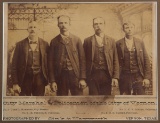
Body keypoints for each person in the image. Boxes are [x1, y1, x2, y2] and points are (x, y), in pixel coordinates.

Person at [48, 15, 86, 96]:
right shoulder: (54, 42)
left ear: (69, 24)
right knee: (61, 102)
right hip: (60, 76)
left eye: (66, 23)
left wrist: (82, 78)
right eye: (61, 23)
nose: (63, 25)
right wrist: (52, 81)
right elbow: (50, 63)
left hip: (75, 76)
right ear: (58, 25)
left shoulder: (77, 40)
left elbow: (82, 60)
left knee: (78, 101)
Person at [11, 20, 49, 96]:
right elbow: (14, 65)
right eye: (30, 27)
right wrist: (15, 83)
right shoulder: (20, 44)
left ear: (38, 29)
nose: (33, 29)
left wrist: (49, 82)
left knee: (39, 102)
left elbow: (49, 64)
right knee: (24, 103)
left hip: (40, 79)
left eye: (35, 27)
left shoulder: (45, 44)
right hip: (24, 78)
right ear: (27, 29)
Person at [83, 17, 119, 95]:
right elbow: (83, 60)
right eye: (96, 24)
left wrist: (115, 77)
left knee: (106, 100)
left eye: (100, 23)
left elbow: (115, 60)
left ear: (104, 25)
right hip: (93, 75)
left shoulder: (111, 41)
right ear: (93, 26)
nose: (98, 26)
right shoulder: (87, 41)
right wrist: (84, 78)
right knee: (94, 100)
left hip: (107, 74)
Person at [116, 22, 151, 95]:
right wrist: (116, 77)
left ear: (134, 29)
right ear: (123, 30)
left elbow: (146, 59)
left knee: (141, 98)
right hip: (124, 76)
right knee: (125, 99)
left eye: (131, 27)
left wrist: (147, 77)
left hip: (138, 75)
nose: (129, 30)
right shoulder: (118, 43)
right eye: (127, 28)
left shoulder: (140, 42)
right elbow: (115, 61)